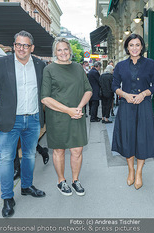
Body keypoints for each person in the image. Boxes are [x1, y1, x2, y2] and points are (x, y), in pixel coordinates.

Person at [0, 30, 46, 218]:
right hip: (9, 120)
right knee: (6, 160)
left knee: (29, 156)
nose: (21, 48)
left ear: (32, 48)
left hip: (33, 118)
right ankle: (7, 198)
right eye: (18, 44)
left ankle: (26, 186)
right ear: (14, 46)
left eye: (26, 45)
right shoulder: (1, 64)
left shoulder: (40, 65)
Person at [41, 37, 92, 196]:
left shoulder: (78, 68)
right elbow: (45, 98)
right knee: (59, 151)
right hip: (57, 117)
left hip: (76, 115)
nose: (63, 52)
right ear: (55, 52)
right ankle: (61, 181)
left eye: (65, 49)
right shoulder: (49, 70)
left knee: (77, 150)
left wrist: (78, 107)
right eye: (59, 50)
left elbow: (88, 90)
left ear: (70, 51)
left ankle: (75, 180)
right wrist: (68, 110)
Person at [111, 34, 154, 190]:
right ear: (127, 47)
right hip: (126, 106)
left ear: (142, 47)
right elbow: (114, 86)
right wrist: (125, 95)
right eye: (131, 45)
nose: (134, 48)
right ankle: (130, 170)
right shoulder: (120, 66)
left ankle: (139, 172)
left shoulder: (151, 64)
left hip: (144, 105)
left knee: (142, 139)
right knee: (127, 138)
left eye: (137, 45)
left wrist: (144, 93)